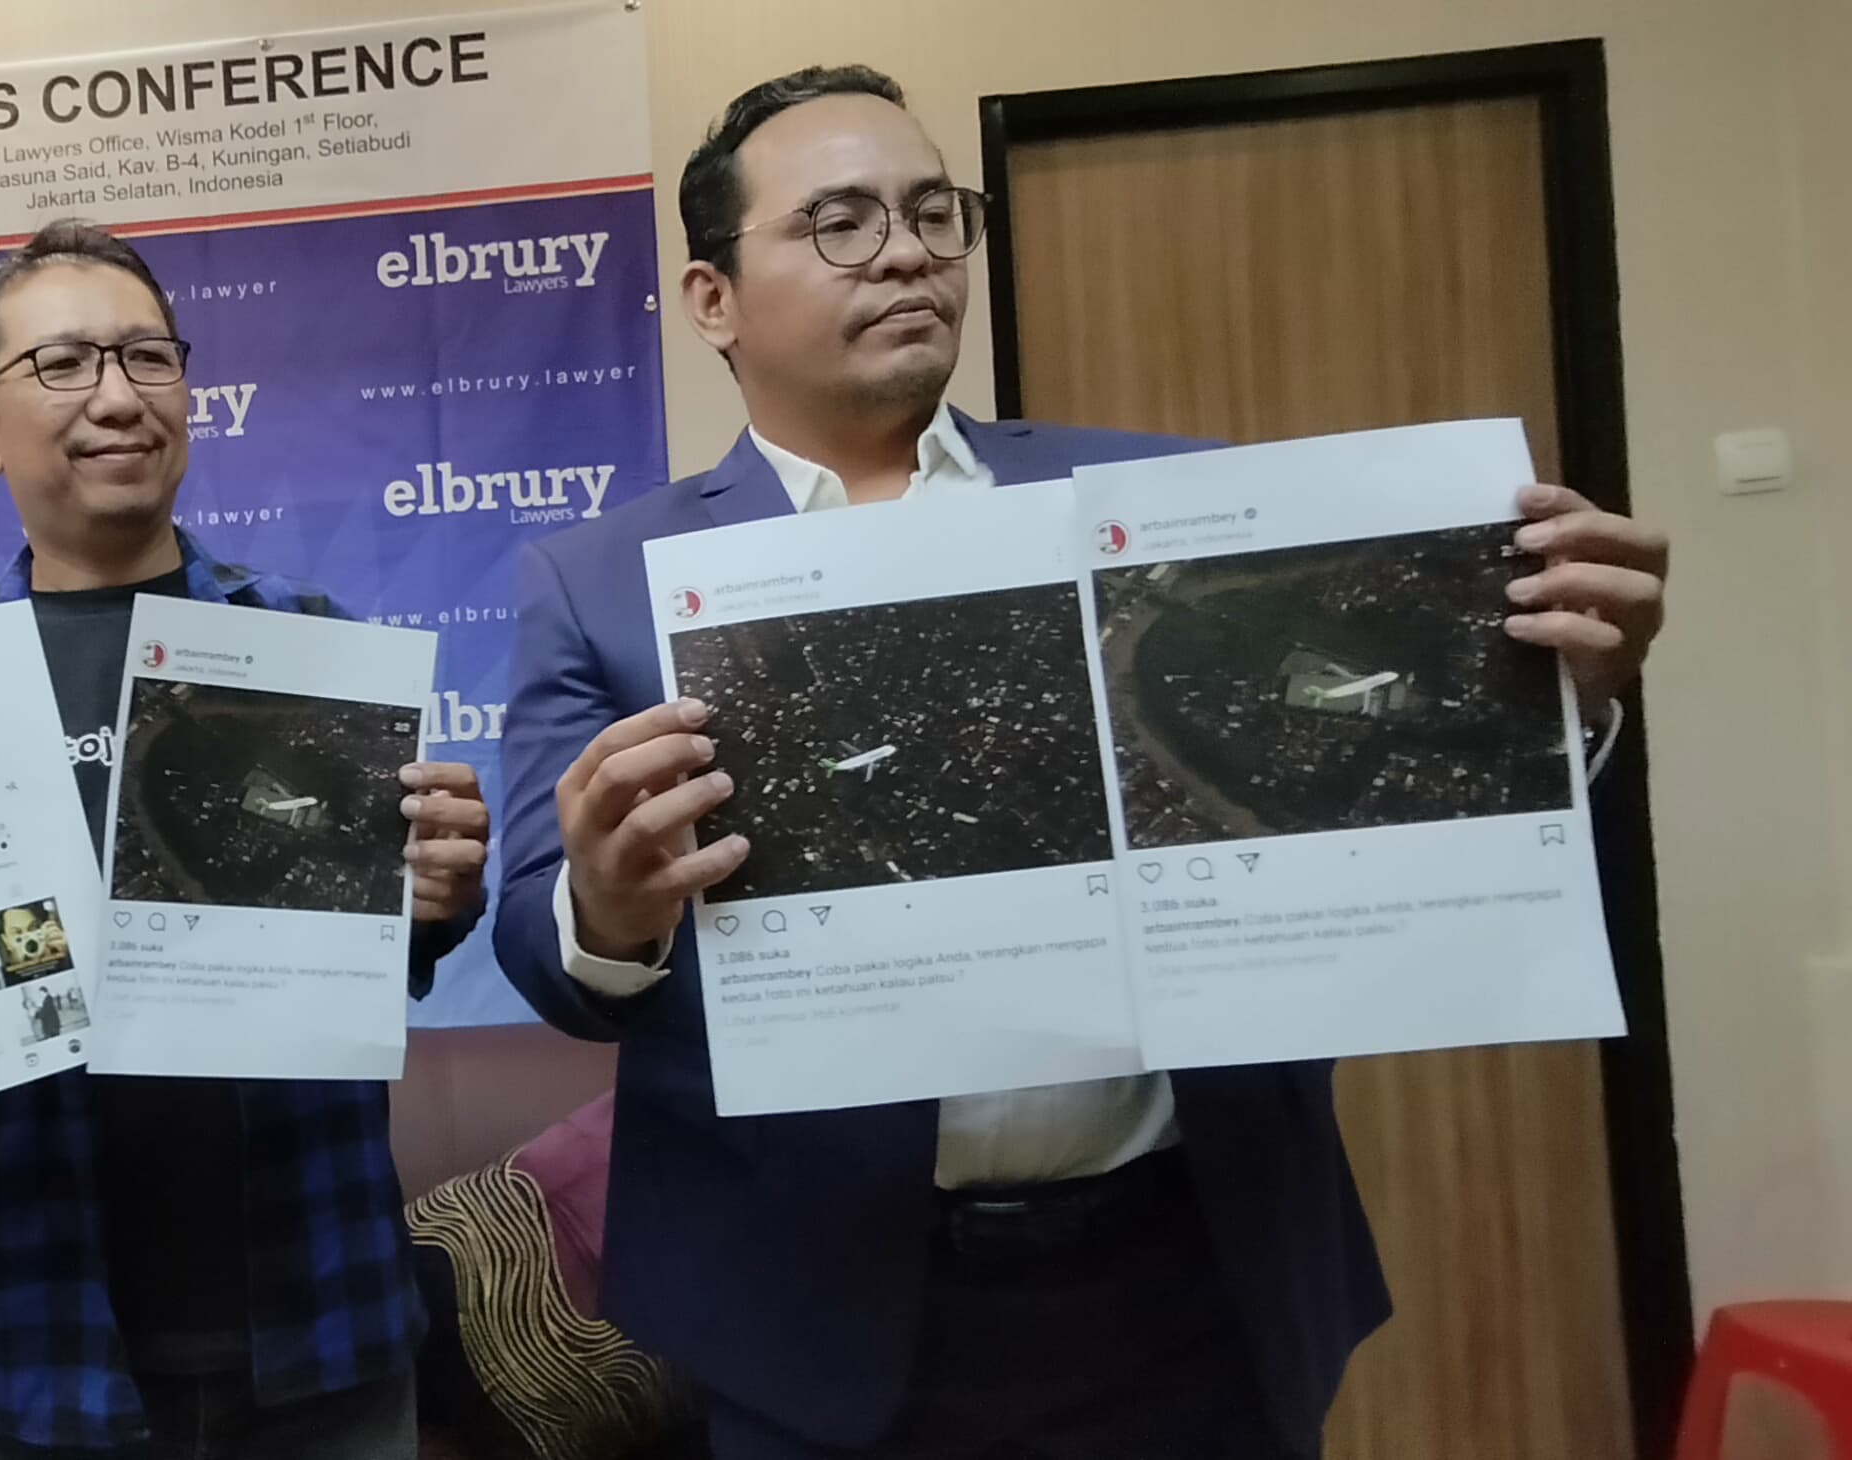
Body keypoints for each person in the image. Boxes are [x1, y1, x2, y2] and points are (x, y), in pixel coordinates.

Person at [493, 66, 1672, 1460]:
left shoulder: (1168, 508)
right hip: (817, 1317)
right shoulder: (602, 580)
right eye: (841, 222)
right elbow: (540, 940)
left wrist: (1557, 707)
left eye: (936, 211)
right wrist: (610, 911)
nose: (909, 250)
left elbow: (1354, 781)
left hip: (1191, 1281)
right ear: (712, 299)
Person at [0, 219, 496, 1460]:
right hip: (36, 1327)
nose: (118, 396)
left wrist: (439, 896)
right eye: (65, 365)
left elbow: (373, 954)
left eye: (148, 357)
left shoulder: (309, 644)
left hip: (315, 1306)